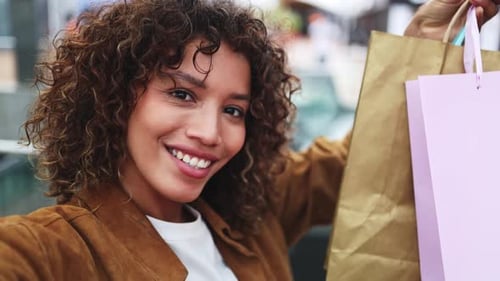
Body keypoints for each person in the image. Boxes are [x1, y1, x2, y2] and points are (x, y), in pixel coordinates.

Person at [0, 0, 498, 280]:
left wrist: (424, 47)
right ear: (116, 96)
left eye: (234, 109)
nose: (210, 133)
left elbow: (364, 157)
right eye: (181, 93)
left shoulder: (252, 214)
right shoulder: (50, 251)